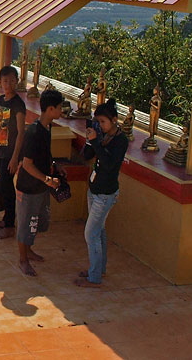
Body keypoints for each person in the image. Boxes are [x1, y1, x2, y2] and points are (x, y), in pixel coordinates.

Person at [76, 98, 128, 288]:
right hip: (94, 189)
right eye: (98, 122)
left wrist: (96, 142)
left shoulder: (121, 141)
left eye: (103, 122)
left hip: (105, 194)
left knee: (91, 234)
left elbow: (109, 164)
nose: (101, 126)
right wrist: (91, 141)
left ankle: (94, 276)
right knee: (99, 232)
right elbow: (87, 156)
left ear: (114, 120)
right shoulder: (101, 136)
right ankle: (98, 269)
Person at [14, 88, 63, 276]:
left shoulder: (46, 128)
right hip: (29, 187)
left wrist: (54, 166)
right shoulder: (34, 132)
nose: (61, 112)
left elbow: (43, 155)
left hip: (41, 186)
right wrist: (47, 179)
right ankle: (22, 260)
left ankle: (29, 251)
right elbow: (27, 164)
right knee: (26, 223)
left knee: (35, 222)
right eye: (59, 108)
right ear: (50, 109)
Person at [0, 66, 26, 239]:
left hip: (11, 152)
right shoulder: (1, 101)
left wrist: (15, 158)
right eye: (5, 81)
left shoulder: (18, 104)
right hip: (1, 149)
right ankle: (6, 219)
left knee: (7, 187)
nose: (8, 84)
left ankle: (10, 225)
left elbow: (20, 132)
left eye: (11, 80)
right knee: (3, 187)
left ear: (16, 81)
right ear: (0, 82)